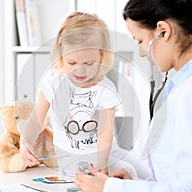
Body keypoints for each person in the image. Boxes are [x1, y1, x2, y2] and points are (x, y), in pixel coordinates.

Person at [74, 0, 192, 192]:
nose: (141, 52)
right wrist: (134, 187)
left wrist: (111, 191)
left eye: (139, 41)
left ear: (163, 31)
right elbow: (184, 178)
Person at [19, 11, 146, 178]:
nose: (80, 69)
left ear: (101, 57)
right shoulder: (52, 86)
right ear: (61, 56)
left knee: (144, 171)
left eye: (88, 63)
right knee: (129, 171)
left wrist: (103, 161)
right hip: (71, 158)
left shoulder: (105, 89)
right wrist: (25, 141)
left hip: (106, 150)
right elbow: (36, 120)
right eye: (71, 62)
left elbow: (104, 131)